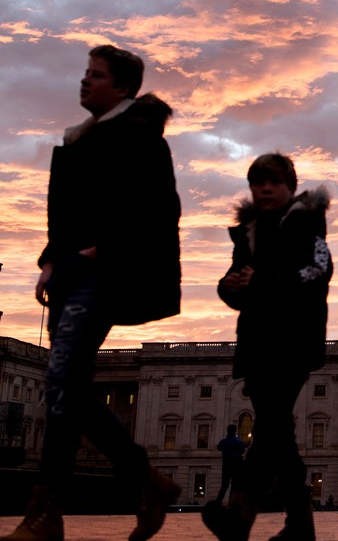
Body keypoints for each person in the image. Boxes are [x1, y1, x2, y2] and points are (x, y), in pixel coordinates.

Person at [3, 45, 182, 541]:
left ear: (122, 87)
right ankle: (144, 478)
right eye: (85, 74)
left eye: (96, 75)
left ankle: (47, 510)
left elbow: (156, 211)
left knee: (62, 378)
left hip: (108, 273)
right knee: (67, 387)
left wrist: (96, 252)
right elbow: (66, 215)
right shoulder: (81, 140)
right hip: (72, 275)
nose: (84, 82)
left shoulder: (142, 137)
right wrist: (51, 259)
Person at [201, 153, 332, 541]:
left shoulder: (306, 224)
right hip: (257, 343)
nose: (266, 188)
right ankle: (292, 523)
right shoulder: (250, 231)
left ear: (291, 187)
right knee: (274, 430)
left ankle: (246, 512)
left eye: (274, 181)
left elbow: (318, 271)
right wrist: (229, 287)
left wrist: (260, 283)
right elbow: (236, 279)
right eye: (258, 183)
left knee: (273, 424)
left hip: (294, 340)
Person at [215, 424, 245, 503]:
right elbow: (242, 450)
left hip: (226, 464)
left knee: (224, 484)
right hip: (236, 465)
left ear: (228, 431)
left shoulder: (224, 441)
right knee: (234, 484)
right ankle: (231, 501)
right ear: (235, 430)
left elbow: (219, 447)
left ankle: (218, 501)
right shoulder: (238, 441)